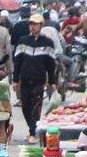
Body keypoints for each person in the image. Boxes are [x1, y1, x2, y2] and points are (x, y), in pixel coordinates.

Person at [10, 12, 57, 142]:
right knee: (25, 107)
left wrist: (52, 82)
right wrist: (15, 80)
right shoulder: (23, 41)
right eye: (31, 24)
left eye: (35, 24)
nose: (33, 27)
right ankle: (33, 129)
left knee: (36, 107)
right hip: (24, 79)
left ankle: (32, 132)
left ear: (41, 25)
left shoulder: (48, 42)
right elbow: (17, 62)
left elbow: (50, 64)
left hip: (39, 80)